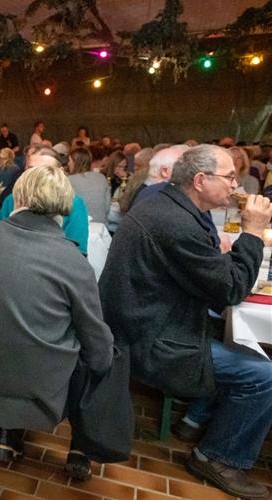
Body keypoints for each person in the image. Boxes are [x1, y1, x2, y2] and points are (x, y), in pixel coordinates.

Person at [98, 145, 272, 499]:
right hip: (151, 340)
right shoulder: (175, 221)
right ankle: (217, 457)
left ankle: (195, 419)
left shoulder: (168, 205)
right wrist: (253, 232)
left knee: (239, 343)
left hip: (148, 322)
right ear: (199, 180)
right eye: (229, 177)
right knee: (264, 376)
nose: (236, 186)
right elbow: (231, 290)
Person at [0, 165, 113, 480]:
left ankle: (7, 433)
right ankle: (83, 444)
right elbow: (96, 342)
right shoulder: (71, 258)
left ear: (19, 197)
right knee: (104, 353)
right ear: (66, 205)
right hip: (31, 375)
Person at [0, 150, 89, 255]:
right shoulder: (12, 199)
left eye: (45, 171)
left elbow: (78, 253)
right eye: (31, 170)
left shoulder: (74, 204)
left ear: (60, 173)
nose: (36, 177)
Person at [129, 145, 189, 209]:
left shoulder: (146, 189)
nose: (185, 172)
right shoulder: (157, 196)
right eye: (180, 167)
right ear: (165, 171)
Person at [68, 148, 109, 223]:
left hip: (77, 226)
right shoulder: (101, 178)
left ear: (75, 162)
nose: (68, 164)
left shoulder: (69, 180)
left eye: (69, 160)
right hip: (100, 225)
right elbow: (107, 207)